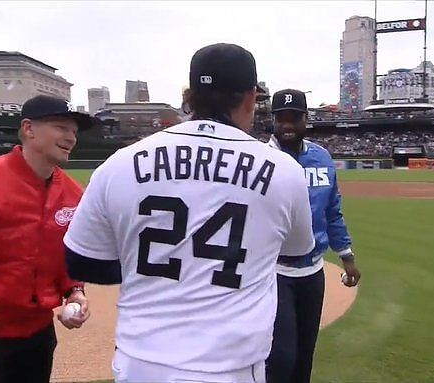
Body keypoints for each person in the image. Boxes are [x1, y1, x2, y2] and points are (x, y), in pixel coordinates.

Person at [64, 43, 315, 383]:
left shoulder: (120, 163)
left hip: (141, 363)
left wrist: (154, 266)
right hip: (234, 367)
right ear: (250, 98)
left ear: (191, 96)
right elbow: (296, 251)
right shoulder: (284, 172)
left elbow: (81, 261)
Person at [0, 95, 97, 383]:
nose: (71, 137)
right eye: (61, 127)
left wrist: (74, 292)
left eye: (74, 131)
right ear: (29, 129)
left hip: (38, 340)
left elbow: (66, 261)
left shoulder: (73, 194)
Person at [265, 89, 361, 383]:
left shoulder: (321, 157)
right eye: (282, 119)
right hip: (273, 272)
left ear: (306, 119)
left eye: (295, 118)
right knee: (281, 357)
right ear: (273, 121)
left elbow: (332, 212)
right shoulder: (261, 158)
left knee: (305, 356)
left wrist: (347, 256)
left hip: (313, 272)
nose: (288, 125)